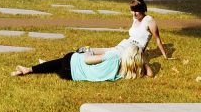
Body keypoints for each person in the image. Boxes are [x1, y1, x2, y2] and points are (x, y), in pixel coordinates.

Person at [11, 43, 150, 80]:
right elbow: (150, 74)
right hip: (72, 76)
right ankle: (44, 64)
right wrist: (142, 61)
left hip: (71, 65)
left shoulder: (114, 56)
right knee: (58, 65)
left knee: (68, 58)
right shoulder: (125, 73)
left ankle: (29, 69)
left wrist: (87, 50)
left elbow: (88, 60)